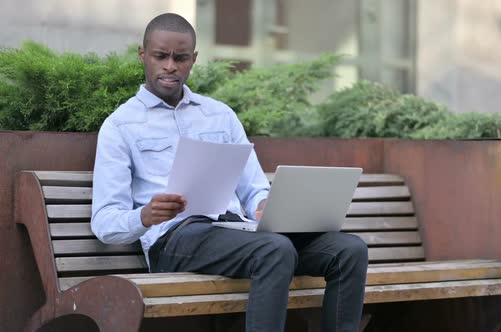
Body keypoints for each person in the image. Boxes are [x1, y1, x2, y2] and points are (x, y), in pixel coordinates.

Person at [91, 13, 368, 332]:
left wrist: (264, 207)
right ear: (143, 55)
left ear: (193, 60)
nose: (170, 66)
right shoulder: (120, 125)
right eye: (160, 56)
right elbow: (104, 221)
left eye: (180, 58)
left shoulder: (219, 116)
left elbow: (254, 188)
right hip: (174, 239)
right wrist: (145, 215)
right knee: (274, 250)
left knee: (349, 250)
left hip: (237, 233)